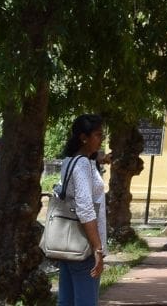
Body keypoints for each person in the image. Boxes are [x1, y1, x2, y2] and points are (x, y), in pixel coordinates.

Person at [54, 115, 109, 306]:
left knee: (66, 302)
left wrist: (100, 160)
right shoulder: (83, 164)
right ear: (84, 137)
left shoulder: (70, 161)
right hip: (84, 245)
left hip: (67, 242)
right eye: (98, 135)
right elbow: (85, 208)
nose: (102, 139)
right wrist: (97, 249)